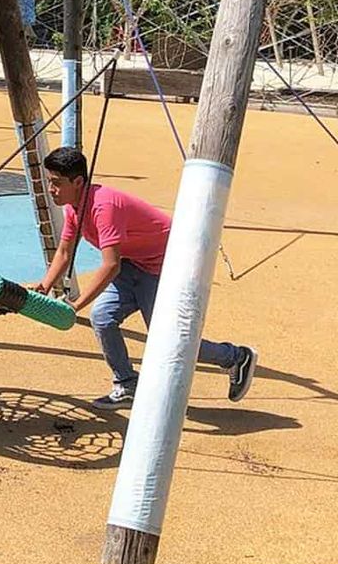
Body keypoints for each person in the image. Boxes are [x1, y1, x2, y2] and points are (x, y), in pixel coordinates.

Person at [36, 146, 258, 409]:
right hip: (136, 263)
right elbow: (64, 251)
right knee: (103, 317)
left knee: (170, 338)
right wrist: (43, 286)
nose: (51, 189)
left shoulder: (103, 207)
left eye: (56, 183)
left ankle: (235, 357)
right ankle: (127, 383)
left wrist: (76, 305)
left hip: (169, 264)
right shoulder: (73, 208)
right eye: (50, 181)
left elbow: (111, 265)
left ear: (78, 182)